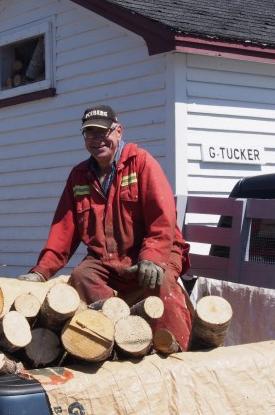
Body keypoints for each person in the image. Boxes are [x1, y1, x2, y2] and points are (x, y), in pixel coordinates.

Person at [18, 105, 193, 351]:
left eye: (103, 133)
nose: (97, 140)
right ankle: (119, 343)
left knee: (159, 281)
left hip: (155, 250)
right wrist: (41, 271)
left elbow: (162, 218)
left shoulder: (141, 163)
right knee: (82, 277)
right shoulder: (79, 177)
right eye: (90, 134)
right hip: (108, 260)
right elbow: (63, 232)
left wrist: (152, 257)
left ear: (118, 132)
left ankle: (178, 350)